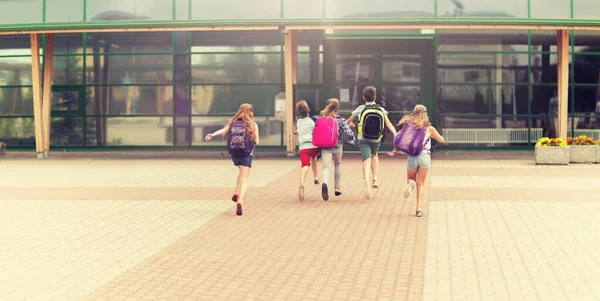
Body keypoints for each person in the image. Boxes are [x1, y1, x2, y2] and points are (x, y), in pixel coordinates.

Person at [388, 104, 444, 217]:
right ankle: (418, 210)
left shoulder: (409, 126)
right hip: (424, 156)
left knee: (410, 179)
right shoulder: (429, 128)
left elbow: (397, 138)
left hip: (412, 156)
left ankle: (411, 183)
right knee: (421, 184)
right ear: (425, 114)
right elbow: (442, 140)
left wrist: (395, 150)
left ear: (414, 112)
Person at [205, 103, 259, 216]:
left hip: (235, 153)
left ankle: (236, 191)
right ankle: (240, 199)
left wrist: (212, 135)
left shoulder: (233, 122)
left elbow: (223, 131)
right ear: (251, 112)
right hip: (246, 153)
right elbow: (257, 142)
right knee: (244, 178)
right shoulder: (253, 124)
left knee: (240, 172)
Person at [347, 86, 398, 199]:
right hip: (376, 138)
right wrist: (395, 133)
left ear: (363, 97)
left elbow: (348, 122)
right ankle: (374, 178)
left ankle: (366, 180)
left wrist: (350, 124)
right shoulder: (380, 109)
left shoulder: (360, 108)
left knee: (366, 159)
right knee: (374, 155)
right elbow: (388, 122)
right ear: (375, 97)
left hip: (363, 138)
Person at [319, 98, 356, 201]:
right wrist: (352, 140)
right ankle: (337, 187)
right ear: (337, 107)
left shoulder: (321, 118)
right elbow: (349, 133)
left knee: (326, 167)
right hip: (337, 146)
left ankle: (325, 183)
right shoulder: (340, 119)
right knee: (338, 164)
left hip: (325, 147)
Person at [295, 100, 321, 201]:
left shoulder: (298, 121)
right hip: (313, 146)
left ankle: (302, 182)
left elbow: (298, 131)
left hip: (303, 148)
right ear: (308, 110)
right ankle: (316, 178)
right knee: (314, 159)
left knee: (305, 166)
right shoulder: (312, 120)